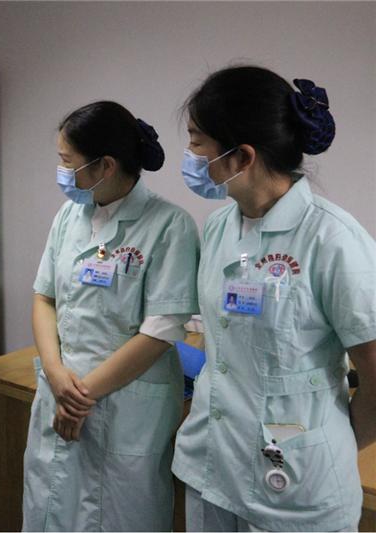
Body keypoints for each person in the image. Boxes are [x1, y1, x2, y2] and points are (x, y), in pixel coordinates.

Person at [173, 65, 376, 532]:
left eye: (197, 141)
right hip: (212, 466)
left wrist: (328, 446)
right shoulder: (219, 226)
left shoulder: (332, 239)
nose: (190, 155)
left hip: (296, 486)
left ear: (242, 156)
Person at [22, 101, 200, 531]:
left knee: (119, 515)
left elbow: (160, 332)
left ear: (105, 165)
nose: (62, 172)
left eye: (68, 162)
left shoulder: (169, 225)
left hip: (124, 405)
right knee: (51, 509)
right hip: (62, 389)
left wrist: (80, 396)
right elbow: (44, 297)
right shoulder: (70, 215)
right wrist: (55, 373)